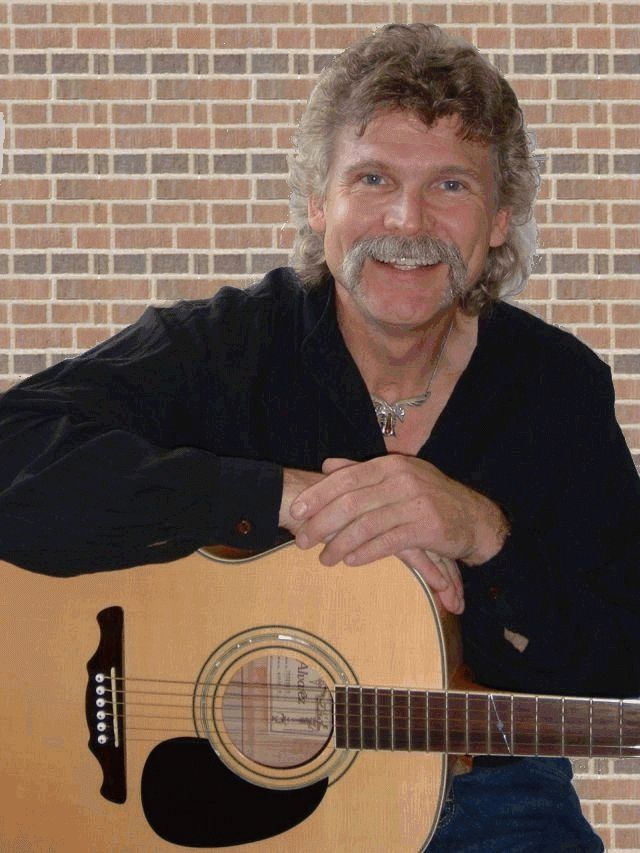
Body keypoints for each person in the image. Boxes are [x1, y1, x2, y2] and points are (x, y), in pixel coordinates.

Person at [0, 23, 637, 851]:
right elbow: (17, 447)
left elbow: (620, 649)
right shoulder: (224, 347)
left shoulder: (557, 388)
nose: (406, 219)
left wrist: (484, 533)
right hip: (216, 803)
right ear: (317, 203)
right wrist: (286, 497)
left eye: (450, 184)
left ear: (498, 221)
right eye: (372, 178)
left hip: (490, 788)